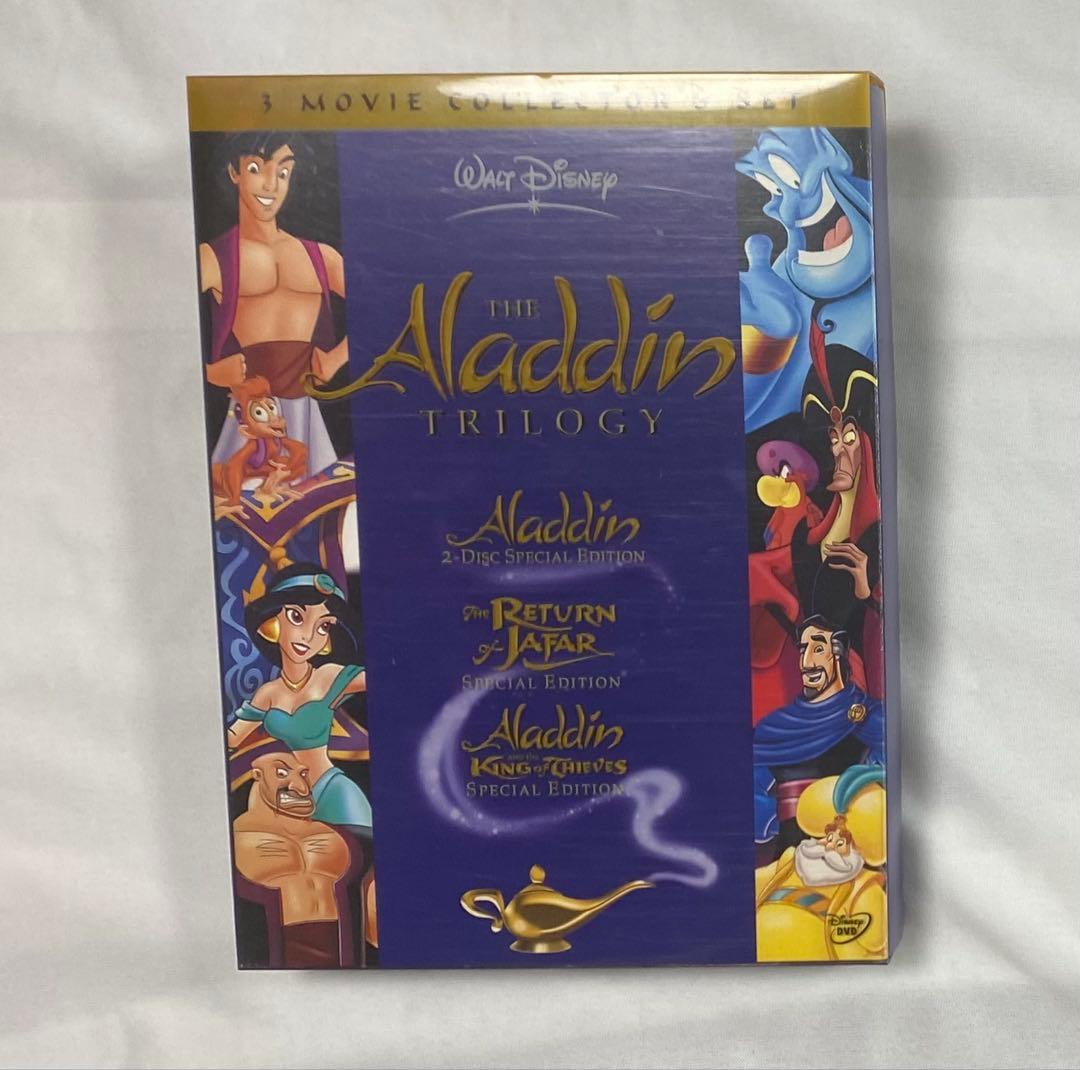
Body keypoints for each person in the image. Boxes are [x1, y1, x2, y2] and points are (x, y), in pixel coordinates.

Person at [199, 132, 349, 478]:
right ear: (234, 172)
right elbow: (158, 323)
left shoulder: (322, 257)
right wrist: (208, 373)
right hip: (248, 423)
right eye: (256, 169)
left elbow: (386, 306)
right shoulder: (212, 257)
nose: (271, 185)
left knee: (318, 504)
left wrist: (336, 359)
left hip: (308, 418)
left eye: (282, 173)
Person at [228, 562, 372, 830]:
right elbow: (232, 738)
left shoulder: (329, 676)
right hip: (289, 798)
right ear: (272, 623)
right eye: (297, 616)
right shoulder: (268, 693)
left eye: (323, 626)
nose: (308, 636)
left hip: (333, 792)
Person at [753, 616, 883, 861]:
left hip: (853, 856)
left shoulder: (868, 715)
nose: (807, 662)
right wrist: (787, 814)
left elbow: (890, 773)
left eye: (818, 649)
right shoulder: (775, 727)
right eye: (803, 650)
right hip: (790, 859)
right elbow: (749, 791)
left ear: (839, 654)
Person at [233, 752, 355, 968]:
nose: (300, 787)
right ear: (258, 775)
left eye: (303, 774)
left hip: (336, 940)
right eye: (281, 773)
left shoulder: (334, 833)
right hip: (276, 946)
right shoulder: (238, 834)